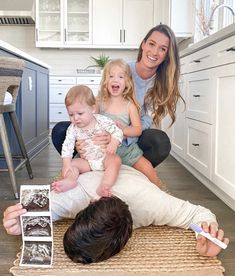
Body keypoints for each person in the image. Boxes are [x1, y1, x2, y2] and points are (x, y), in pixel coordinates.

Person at [3, 166, 229, 263]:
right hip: (90, 163)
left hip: (131, 167)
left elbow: (198, 213)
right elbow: (31, 211)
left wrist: (206, 230)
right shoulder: (73, 198)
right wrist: (18, 221)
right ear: (87, 205)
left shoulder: (153, 203)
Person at [51, 24, 182, 168]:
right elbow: (98, 105)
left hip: (132, 134)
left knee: (160, 142)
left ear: (166, 55)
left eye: (162, 49)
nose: (155, 52)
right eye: (151, 44)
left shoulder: (161, 84)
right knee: (60, 130)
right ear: (143, 44)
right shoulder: (122, 70)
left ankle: (130, 169)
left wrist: (122, 134)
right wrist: (82, 138)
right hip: (102, 132)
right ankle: (87, 160)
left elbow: (145, 121)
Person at [97, 58, 162, 188]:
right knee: (76, 162)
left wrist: (124, 130)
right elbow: (87, 119)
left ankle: (161, 190)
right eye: (111, 76)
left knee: (147, 167)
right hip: (103, 148)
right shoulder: (99, 101)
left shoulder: (130, 105)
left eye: (120, 77)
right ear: (105, 80)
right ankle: (60, 182)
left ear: (127, 82)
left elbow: (137, 129)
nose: (115, 80)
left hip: (126, 150)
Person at [51, 85, 123, 196]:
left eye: (80, 113)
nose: (75, 118)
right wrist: (66, 164)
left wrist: (114, 142)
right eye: (71, 114)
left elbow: (117, 132)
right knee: (73, 164)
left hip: (104, 158)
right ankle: (70, 180)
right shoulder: (72, 128)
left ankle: (104, 185)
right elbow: (67, 146)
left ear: (93, 109)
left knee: (116, 160)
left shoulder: (102, 120)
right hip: (87, 162)